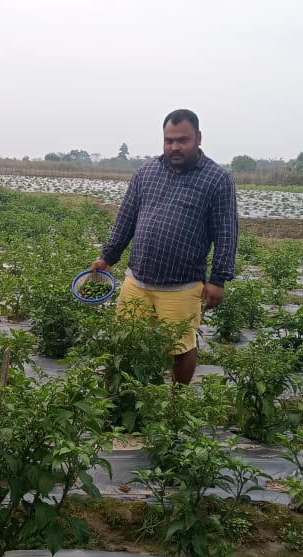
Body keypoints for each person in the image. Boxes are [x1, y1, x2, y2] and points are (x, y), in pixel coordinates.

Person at [91, 109, 238, 384]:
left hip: (182, 284)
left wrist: (219, 279)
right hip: (137, 280)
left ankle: (176, 402)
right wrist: (107, 256)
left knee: (180, 347)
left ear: (198, 138)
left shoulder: (217, 180)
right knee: (126, 340)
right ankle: (124, 396)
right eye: (169, 140)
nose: (175, 146)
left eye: (182, 140)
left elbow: (226, 233)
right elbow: (126, 218)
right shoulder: (146, 172)